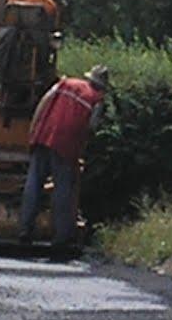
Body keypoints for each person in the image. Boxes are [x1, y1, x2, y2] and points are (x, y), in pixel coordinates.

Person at [19, 65, 110, 249]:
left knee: (34, 183)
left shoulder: (65, 83)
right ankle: (61, 237)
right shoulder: (96, 100)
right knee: (63, 190)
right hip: (66, 146)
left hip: (43, 136)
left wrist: (33, 130)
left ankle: (25, 230)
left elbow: (43, 104)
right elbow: (91, 127)